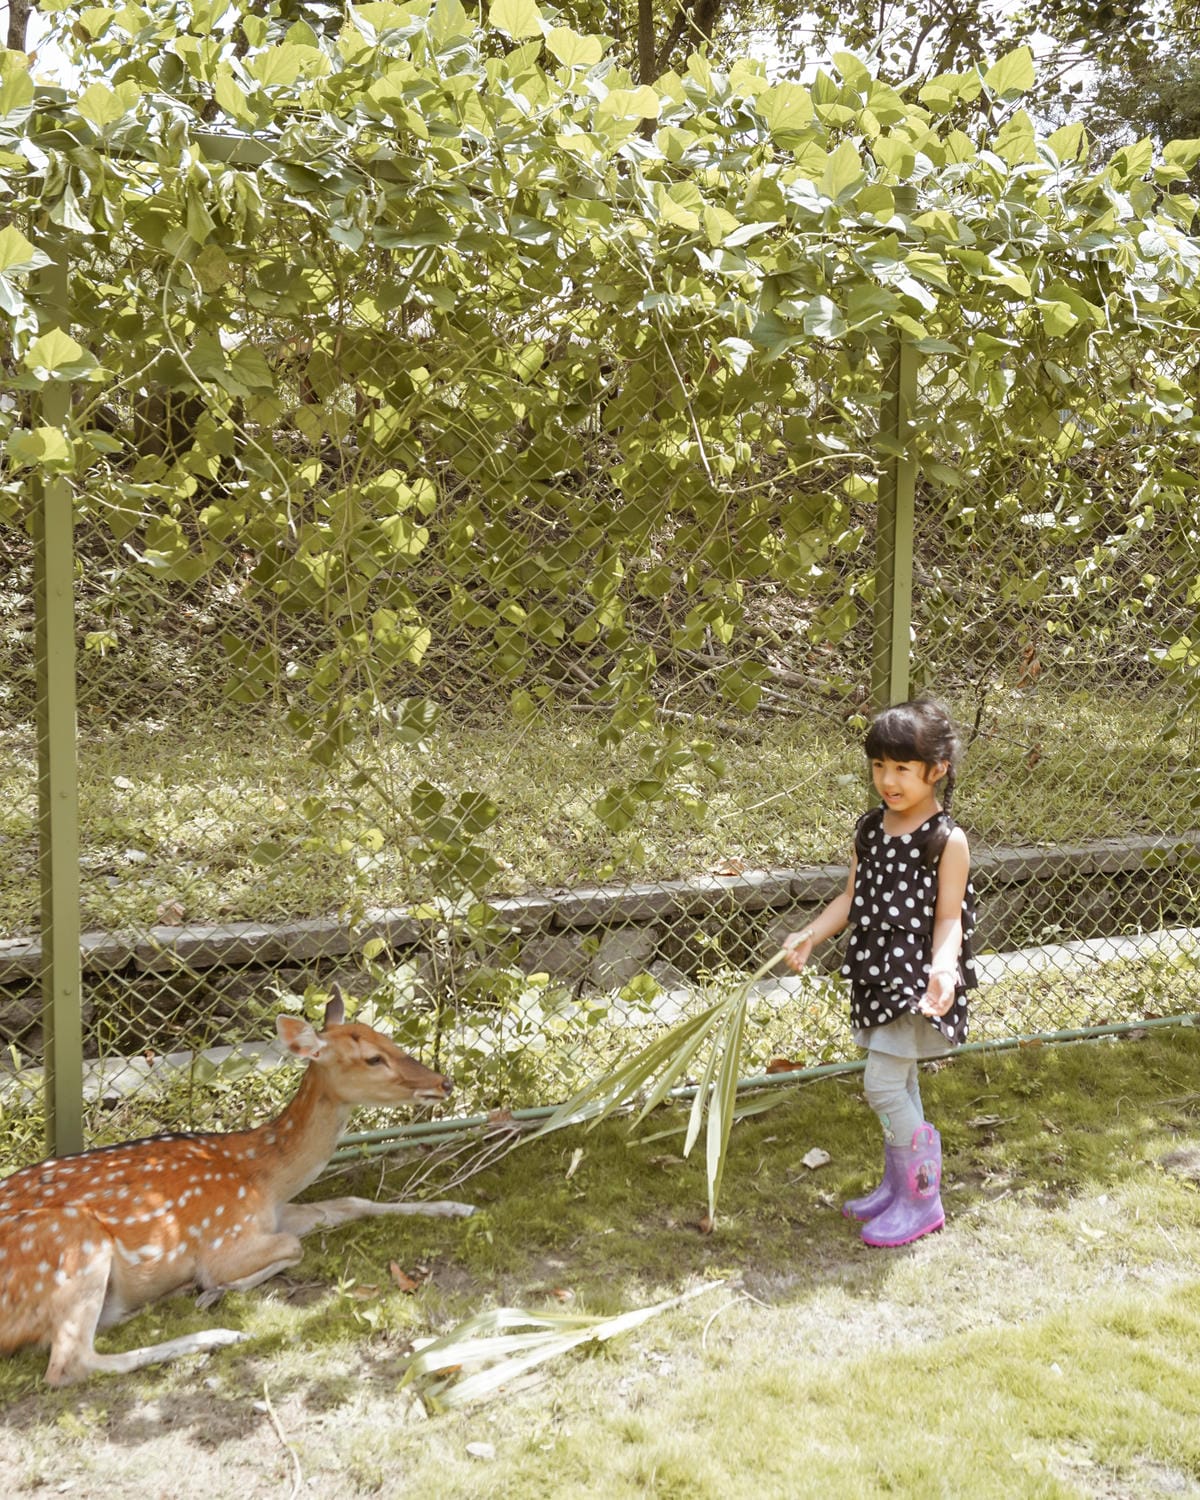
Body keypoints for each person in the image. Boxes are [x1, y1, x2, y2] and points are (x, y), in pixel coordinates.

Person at [782, 697, 977, 1247]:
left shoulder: (946, 840)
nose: (887, 781)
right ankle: (900, 1187)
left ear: (936, 770)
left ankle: (922, 1199)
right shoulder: (870, 829)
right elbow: (852, 898)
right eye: (878, 767)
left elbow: (948, 917)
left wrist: (944, 970)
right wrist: (811, 933)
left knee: (882, 1084)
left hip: (915, 980)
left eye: (901, 769)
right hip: (873, 970)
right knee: (902, 1079)